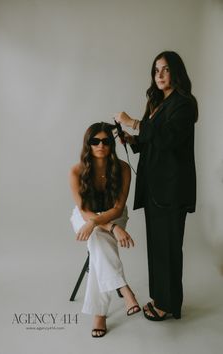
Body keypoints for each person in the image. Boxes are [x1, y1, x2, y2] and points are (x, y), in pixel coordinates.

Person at [115, 51, 198, 321]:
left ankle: (168, 304)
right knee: (157, 246)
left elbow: (170, 139)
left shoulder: (185, 103)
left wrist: (135, 123)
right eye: (155, 70)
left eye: (165, 69)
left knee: (170, 247)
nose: (159, 75)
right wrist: (131, 139)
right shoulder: (156, 101)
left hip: (173, 188)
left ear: (176, 71)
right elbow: (152, 141)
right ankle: (161, 299)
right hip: (153, 187)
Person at [69, 122, 141, 338]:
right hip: (85, 216)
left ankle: (99, 315)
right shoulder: (76, 171)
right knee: (100, 238)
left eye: (106, 141)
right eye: (95, 141)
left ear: (111, 144)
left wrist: (105, 223)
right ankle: (124, 289)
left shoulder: (123, 169)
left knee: (98, 242)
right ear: (88, 144)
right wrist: (109, 227)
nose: (100, 145)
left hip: (115, 214)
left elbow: (118, 207)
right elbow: (83, 211)